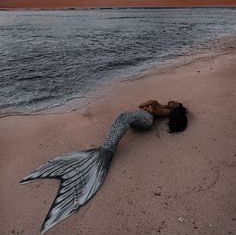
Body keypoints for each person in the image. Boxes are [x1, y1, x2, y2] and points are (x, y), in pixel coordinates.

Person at [20, 100, 188, 234]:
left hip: (146, 120)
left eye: (176, 103)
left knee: (124, 116)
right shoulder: (162, 106)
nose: (173, 101)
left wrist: (152, 104)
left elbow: (145, 107)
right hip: (144, 118)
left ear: (176, 108)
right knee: (123, 117)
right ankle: (106, 149)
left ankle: (105, 151)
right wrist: (151, 105)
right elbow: (141, 106)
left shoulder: (166, 110)